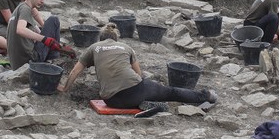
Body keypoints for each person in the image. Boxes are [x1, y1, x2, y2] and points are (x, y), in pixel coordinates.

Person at [58, 23, 217, 110]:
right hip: (134, 92)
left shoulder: (93, 48)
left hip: (111, 101)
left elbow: (75, 71)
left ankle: (144, 102)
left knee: (141, 92)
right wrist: (147, 88)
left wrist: (65, 88)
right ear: (115, 38)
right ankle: (206, 96)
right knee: (171, 92)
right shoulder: (126, 47)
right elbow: (139, 75)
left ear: (101, 38)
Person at [6, 0, 72, 70]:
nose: (42, 1)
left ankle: (57, 51)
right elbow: (20, 30)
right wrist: (45, 39)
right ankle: (53, 58)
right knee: (54, 20)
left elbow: (38, 31)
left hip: (18, 63)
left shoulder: (20, 8)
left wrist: (59, 45)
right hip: (30, 60)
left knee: (46, 29)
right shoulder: (25, 9)